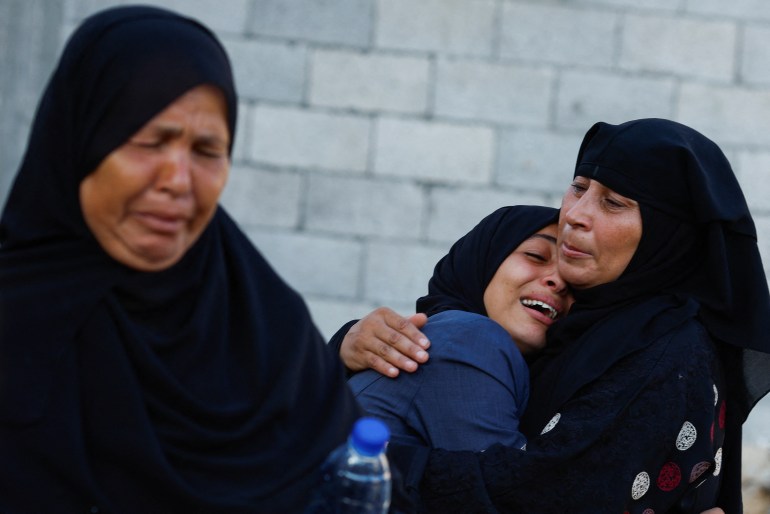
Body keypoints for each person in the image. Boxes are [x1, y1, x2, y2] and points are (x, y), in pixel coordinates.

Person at [0, 6, 374, 513]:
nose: (177, 179)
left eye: (206, 149)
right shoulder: (15, 320)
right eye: (149, 142)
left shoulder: (267, 330)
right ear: (79, 142)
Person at [336, 119, 770, 513]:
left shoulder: (660, 350)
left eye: (614, 202)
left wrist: (350, 457)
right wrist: (343, 347)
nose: (575, 216)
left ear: (667, 235)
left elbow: (536, 497)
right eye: (578, 187)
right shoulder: (566, 334)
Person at [348, 206, 572, 452]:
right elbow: (505, 485)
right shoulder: (470, 339)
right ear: (483, 260)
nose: (558, 281)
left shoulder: (455, 340)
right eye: (536, 256)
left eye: (573, 281)